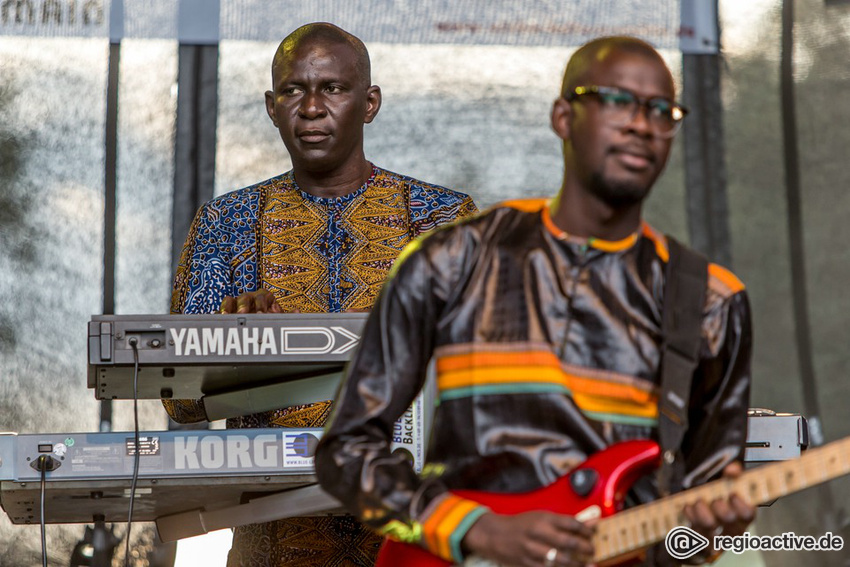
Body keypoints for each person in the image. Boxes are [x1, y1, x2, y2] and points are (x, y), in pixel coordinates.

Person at [315, 36, 755, 567]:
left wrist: (712, 533)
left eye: (662, 110)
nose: (642, 123)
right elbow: (345, 453)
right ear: (563, 117)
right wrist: (475, 529)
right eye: (617, 101)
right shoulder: (452, 259)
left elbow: (692, 532)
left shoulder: (711, 301)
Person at [163, 22, 477, 566]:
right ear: (271, 105)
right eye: (293, 90)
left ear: (370, 102)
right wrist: (227, 339)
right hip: (271, 543)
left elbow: (485, 379)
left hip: (413, 542)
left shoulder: (443, 221)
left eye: (332, 88)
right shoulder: (225, 222)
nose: (311, 107)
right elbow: (182, 402)